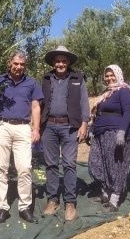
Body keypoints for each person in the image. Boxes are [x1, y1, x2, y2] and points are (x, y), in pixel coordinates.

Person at [0, 50, 43, 224]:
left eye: (22, 64)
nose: (19, 67)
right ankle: (3, 208)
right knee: (1, 168)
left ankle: (24, 207)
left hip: (23, 128)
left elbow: (35, 107)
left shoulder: (31, 83)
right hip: (2, 126)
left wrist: (36, 129)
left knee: (25, 168)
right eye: (16, 63)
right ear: (9, 63)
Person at [39, 45, 90, 221]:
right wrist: (36, 125)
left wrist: (84, 124)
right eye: (57, 61)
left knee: (69, 164)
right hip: (49, 127)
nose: (60, 63)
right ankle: (53, 200)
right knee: (51, 164)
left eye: (63, 60)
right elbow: (38, 103)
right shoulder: (46, 78)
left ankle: (70, 203)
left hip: (70, 127)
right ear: (54, 63)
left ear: (68, 62)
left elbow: (84, 102)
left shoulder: (78, 78)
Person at [88, 65, 130, 212]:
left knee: (116, 165)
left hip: (116, 133)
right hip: (100, 132)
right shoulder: (106, 94)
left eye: (111, 75)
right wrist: (91, 129)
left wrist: (122, 131)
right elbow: (97, 114)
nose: (109, 78)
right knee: (97, 163)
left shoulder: (124, 91)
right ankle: (105, 193)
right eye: (106, 76)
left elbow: (127, 112)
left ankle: (114, 199)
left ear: (118, 75)